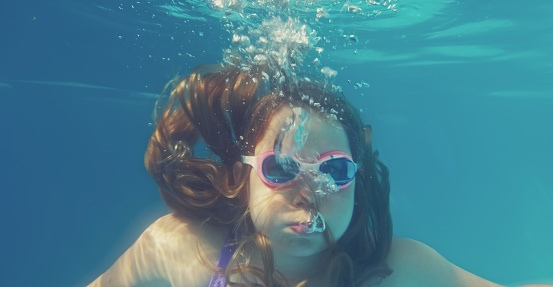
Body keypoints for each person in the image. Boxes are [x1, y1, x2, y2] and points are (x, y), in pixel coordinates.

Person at [88, 63, 549, 287]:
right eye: (281, 167)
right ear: (245, 174)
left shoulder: (396, 272)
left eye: (333, 170)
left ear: (357, 179)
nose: (308, 193)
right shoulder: (184, 249)